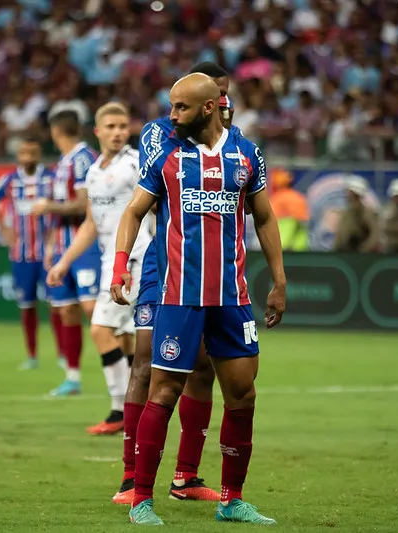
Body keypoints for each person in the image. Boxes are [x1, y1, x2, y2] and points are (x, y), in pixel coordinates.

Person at [111, 73, 286, 525]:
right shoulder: (168, 154)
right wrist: (120, 264)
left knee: (242, 394)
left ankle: (232, 499)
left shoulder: (247, 154)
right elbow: (134, 211)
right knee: (163, 389)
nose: (172, 116)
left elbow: (264, 218)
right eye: (171, 107)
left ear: (210, 107)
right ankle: (141, 499)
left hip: (232, 297)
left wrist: (280, 281)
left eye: (181, 108)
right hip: (178, 296)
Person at [114, 62, 240, 506]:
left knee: (203, 367)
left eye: (225, 97)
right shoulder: (159, 133)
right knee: (147, 362)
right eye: (215, 96)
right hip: (162, 264)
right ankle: (132, 479)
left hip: (210, 273)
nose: (222, 104)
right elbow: (150, 197)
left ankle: (185, 477)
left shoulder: (233, 142)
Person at [47, 103, 149, 435]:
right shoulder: (93, 171)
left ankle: (121, 411)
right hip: (110, 259)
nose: (118, 132)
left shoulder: (136, 164)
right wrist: (64, 261)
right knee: (124, 337)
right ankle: (139, 409)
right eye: (111, 126)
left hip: (133, 258)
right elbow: (91, 224)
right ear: (98, 131)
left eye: (123, 126)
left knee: (100, 330)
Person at [31, 111, 100, 398]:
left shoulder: (84, 158)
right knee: (67, 310)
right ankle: (72, 378)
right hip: (63, 245)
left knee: (92, 310)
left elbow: (84, 205)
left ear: (55, 131)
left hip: (87, 246)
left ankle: (126, 366)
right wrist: (50, 247)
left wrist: (48, 206)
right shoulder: (63, 162)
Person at [0, 137, 60, 370]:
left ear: (39, 153)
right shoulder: (10, 181)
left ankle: (62, 354)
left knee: (56, 305)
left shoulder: (51, 179)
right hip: (21, 254)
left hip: (49, 253)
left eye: (32, 152)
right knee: (27, 306)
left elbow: (63, 205)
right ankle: (32, 355)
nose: (28, 157)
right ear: (18, 155)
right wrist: (4, 230)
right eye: (24, 153)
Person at [333, 177, 380, 253]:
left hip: (362, 253)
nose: (347, 195)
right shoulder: (346, 213)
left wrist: (364, 249)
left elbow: (375, 234)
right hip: (345, 251)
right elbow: (340, 235)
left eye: (349, 192)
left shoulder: (367, 213)